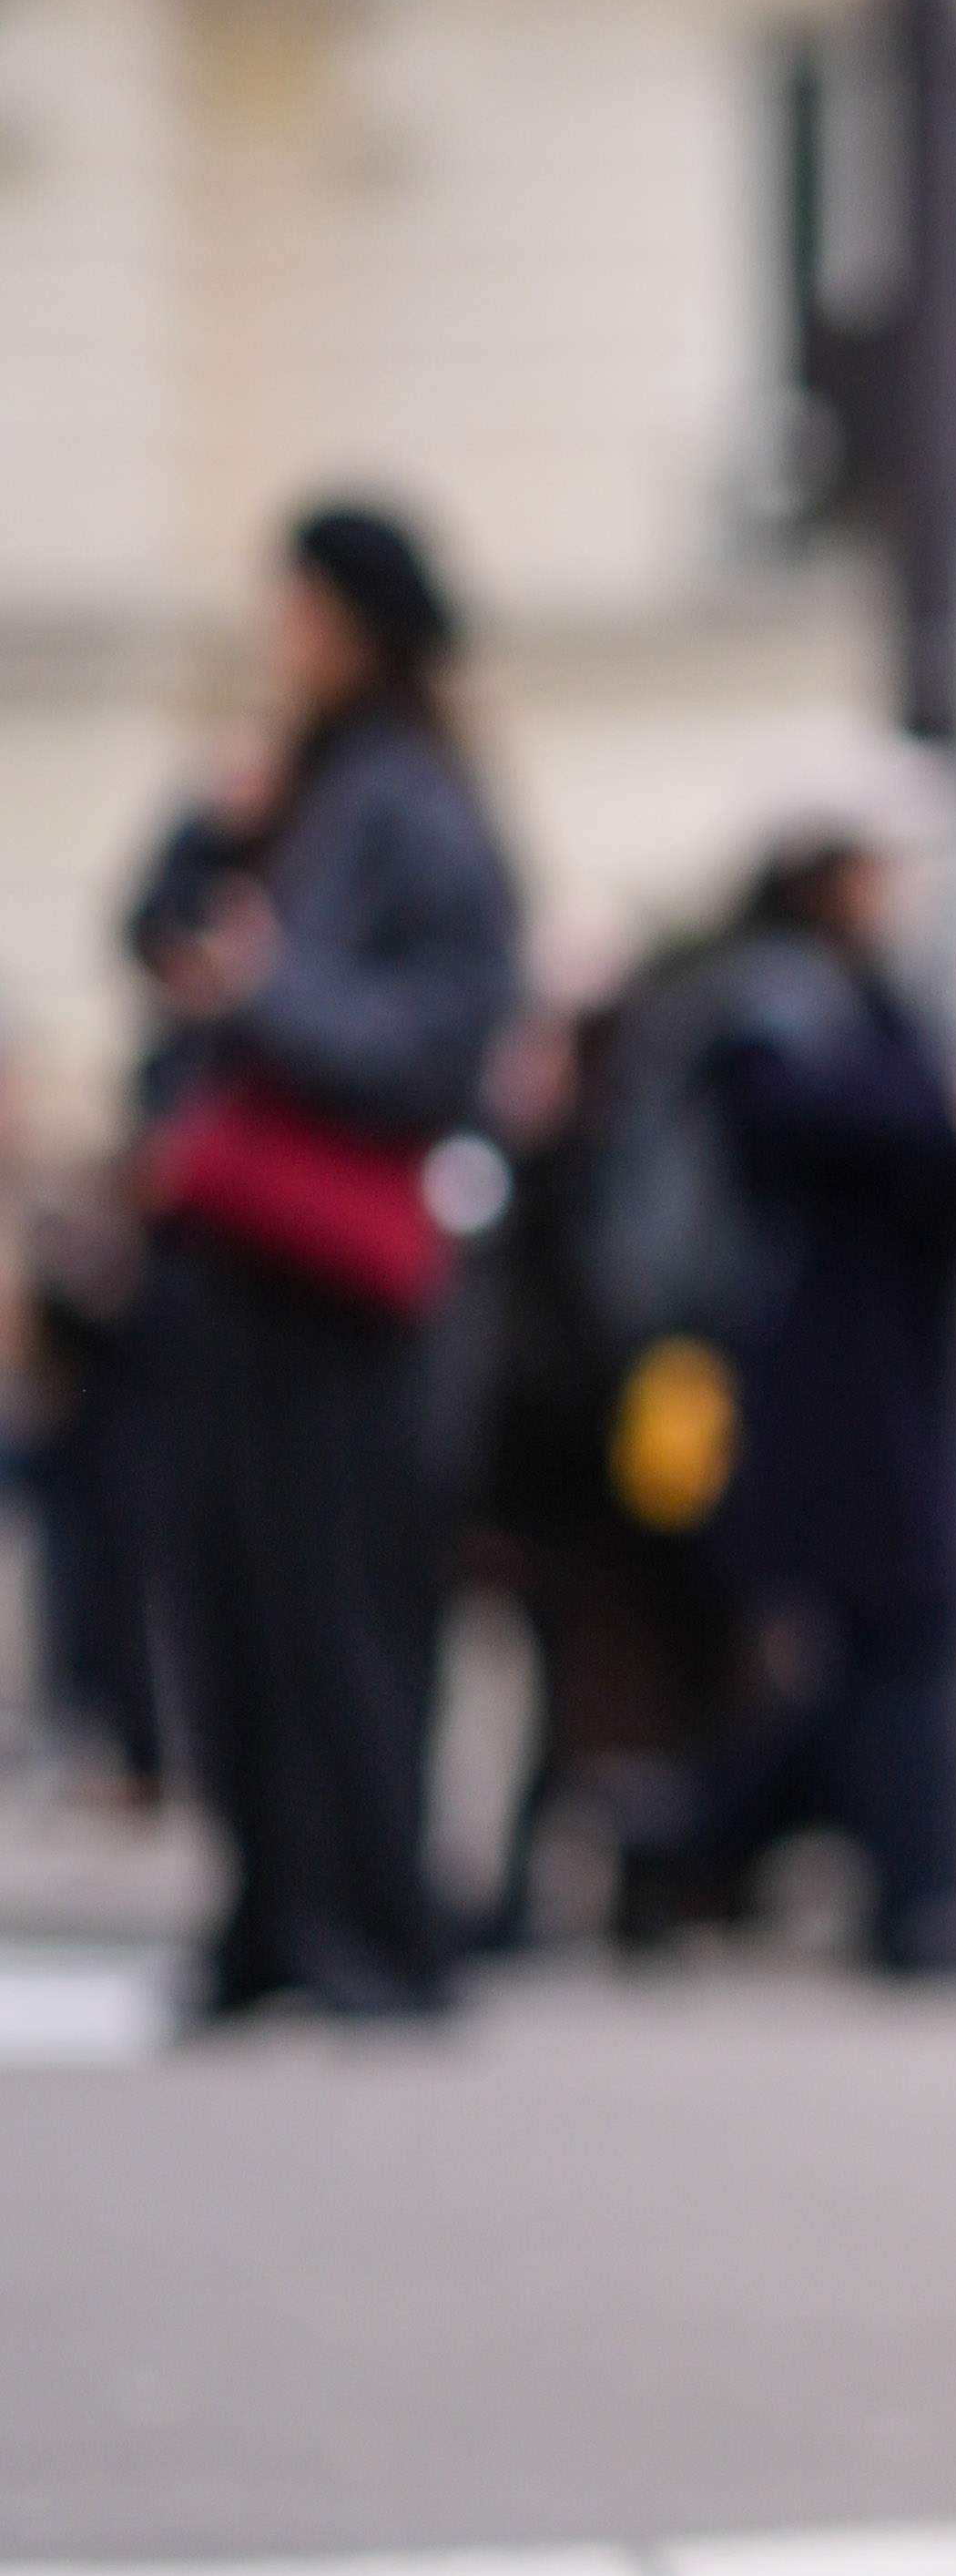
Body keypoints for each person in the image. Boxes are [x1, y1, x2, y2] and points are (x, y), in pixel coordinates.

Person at [133, 498, 518, 2019]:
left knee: (335, 1606)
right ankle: (276, 1926)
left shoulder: (416, 803)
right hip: (237, 1270)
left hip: (335, 1282)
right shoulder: (294, 785)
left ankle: (365, 1927)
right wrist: (213, 832)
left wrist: (264, 995)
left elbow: (435, 1039)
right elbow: (146, 931)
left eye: (293, 606)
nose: (270, 636)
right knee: (229, 1600)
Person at [605, 781, 956, 1976]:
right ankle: (911, 1899)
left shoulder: (861, 996)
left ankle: (693, 1843)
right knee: (884, 1620)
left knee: (881, 1631)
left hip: (889, 1360)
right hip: (819, 1369)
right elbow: (807, 1127)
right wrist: (943, 1129)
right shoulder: (772, 1000)